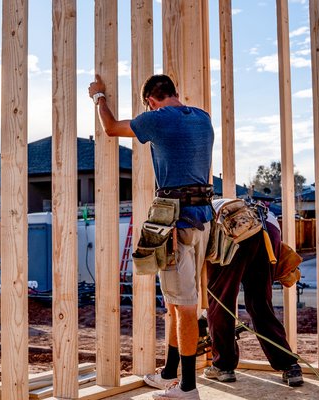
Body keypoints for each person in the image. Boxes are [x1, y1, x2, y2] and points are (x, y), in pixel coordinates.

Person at [90, 74, 214, 399]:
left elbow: (110, 128)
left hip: (176, 224)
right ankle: (170, 373)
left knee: (184, 308)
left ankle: (188, 388)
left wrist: (99, 97)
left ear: (150, 101)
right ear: (175, 92)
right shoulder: (203, 118)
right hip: (202, 221)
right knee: (176, 303)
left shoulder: (157, 119)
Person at [202, 208, 304, 387]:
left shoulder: (199, 222)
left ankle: (223, 366)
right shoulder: (244, 209)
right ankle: (289, 366)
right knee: (260, 304)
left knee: (220, 302)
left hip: (231, 230)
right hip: (268, 229)